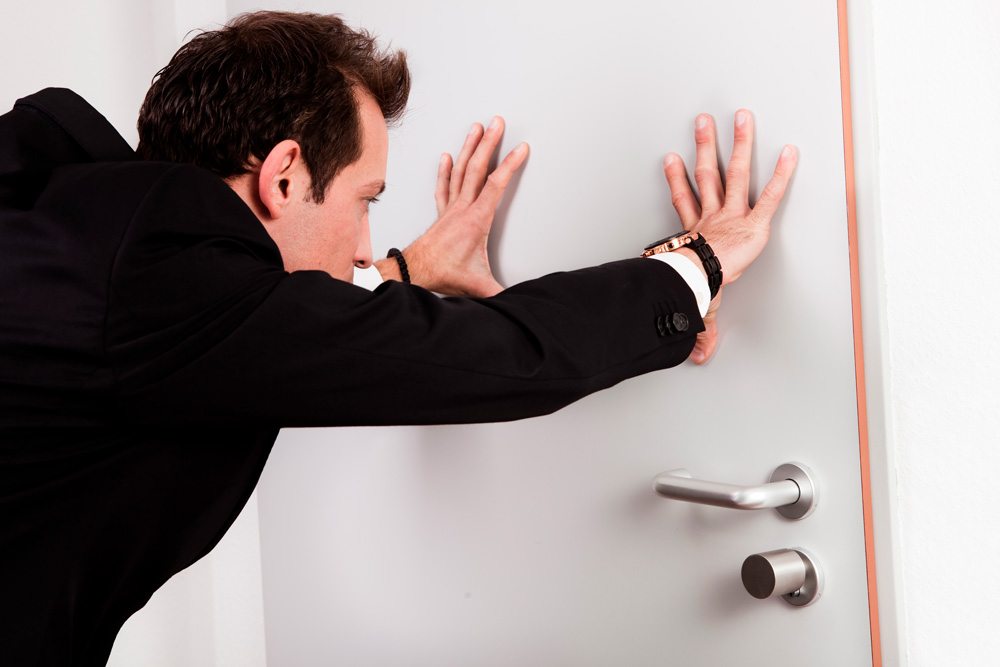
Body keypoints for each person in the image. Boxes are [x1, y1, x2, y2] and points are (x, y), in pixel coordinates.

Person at [0, 10, 798, 666]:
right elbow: (506, 357)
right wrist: (696, 265)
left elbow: (258, 322)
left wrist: (405, 270)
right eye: (366, 199)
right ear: (284, 175)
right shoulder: (169, 290)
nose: (361, 244)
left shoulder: (76, 223)